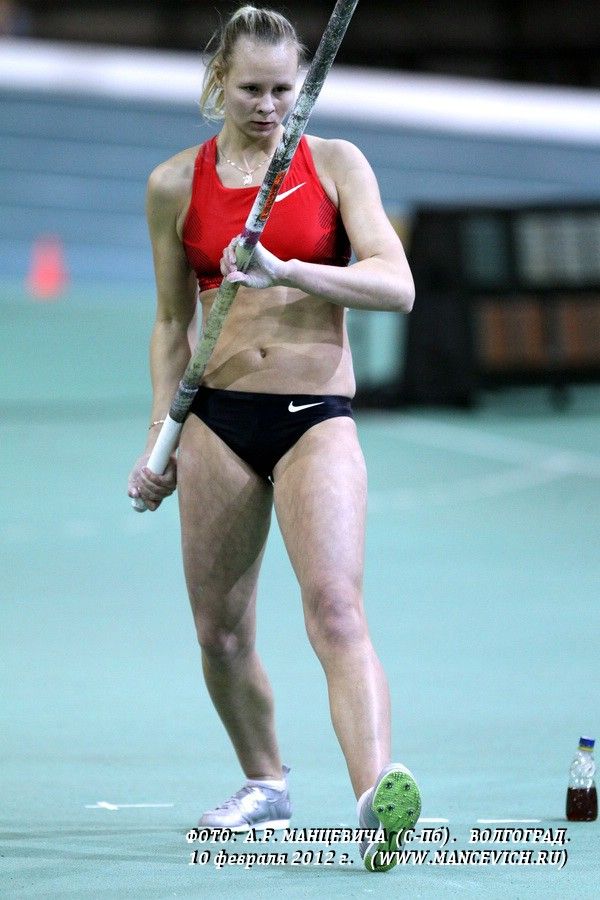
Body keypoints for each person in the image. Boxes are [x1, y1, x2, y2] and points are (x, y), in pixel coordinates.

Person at [127, 4, 420, 872]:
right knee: (221, 633)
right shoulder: (174, 184)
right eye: (251, 89)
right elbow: (171, 321)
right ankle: (265, 786)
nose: (268, 106)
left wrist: (288, 270)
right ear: (219, 81)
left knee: (335, 607)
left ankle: (374, 799)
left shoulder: (334, 164)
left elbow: (396, 285)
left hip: (313, 417)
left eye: (284, 90)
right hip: (217, 421)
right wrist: (160, 434)